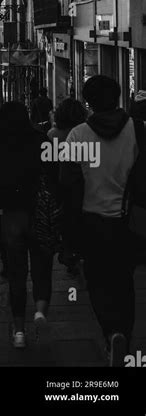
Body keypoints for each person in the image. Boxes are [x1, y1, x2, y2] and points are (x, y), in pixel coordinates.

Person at [62, 75, 140, 367]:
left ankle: (111, 333)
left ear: (88, 102)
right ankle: (125, 336)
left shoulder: (77, 135)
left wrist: (68, 236)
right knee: (124, 281)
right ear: (119, 97)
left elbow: (68, 187)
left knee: (97, 283)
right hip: (129, 222)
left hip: (91, 223)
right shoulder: (138, 130)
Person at [0, 103, 56, 349]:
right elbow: (55, 176)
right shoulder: (42, 140)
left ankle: (19, 331)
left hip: (11, 216)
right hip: (39, 214)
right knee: (42, 267)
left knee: (16, 274)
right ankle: (41, 310)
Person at [47, 98, 87, 275]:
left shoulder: (52, 135)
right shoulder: (87, 133)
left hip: (58, 186)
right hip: (83, 184)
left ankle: (69, 250)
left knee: (65, 221)